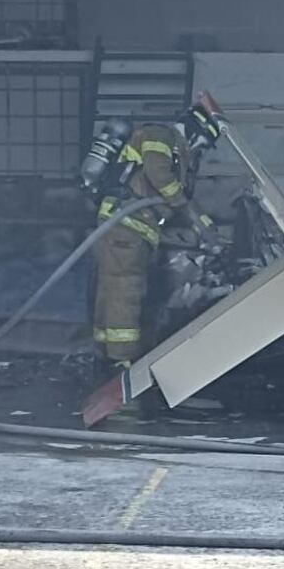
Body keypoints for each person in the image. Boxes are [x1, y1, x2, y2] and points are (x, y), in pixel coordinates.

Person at [89, 105, 223, 376]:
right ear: (196, 131)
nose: (201, 149)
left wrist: (209, 231)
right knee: (125, 289)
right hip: (126, 224)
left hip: (131, 227)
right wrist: (182, 206)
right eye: (204, 143)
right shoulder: (160, 136)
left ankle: (105, 352)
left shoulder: (179, 154)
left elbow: (184, 201)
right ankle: (121, 360)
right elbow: (160, 176)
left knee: (113, 287)